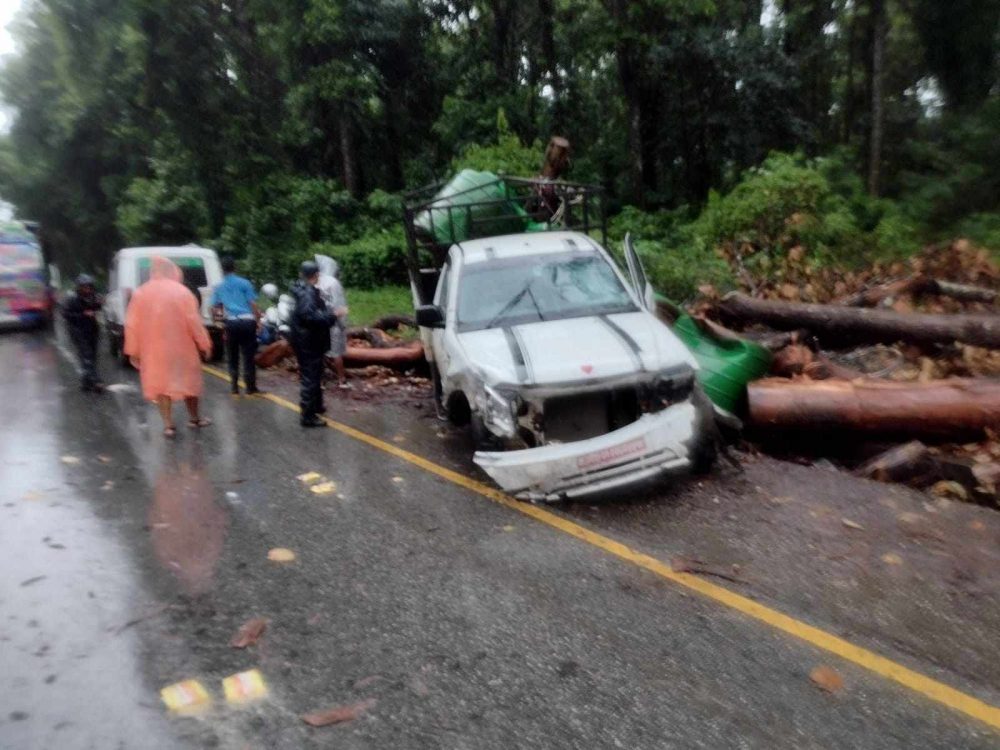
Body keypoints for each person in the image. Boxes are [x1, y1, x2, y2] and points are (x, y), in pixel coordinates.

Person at [124, 256, 213, 438]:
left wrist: (134, 350)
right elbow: (194, 322)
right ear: (172, 271)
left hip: (153, 350)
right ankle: (195, 418)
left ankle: (168, 425)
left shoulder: (141, 293)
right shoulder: (182, 292)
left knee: (161, 386)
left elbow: (132, 324)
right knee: (189, 382)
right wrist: (204, 344)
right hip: (182, 348)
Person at [290, 260, 336, 427]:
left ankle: (316, 406)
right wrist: (332, 316)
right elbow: (309, 317)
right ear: (316, 275)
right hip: (309, 342)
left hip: (305, 341)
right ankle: (308, 416)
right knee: (311, 377)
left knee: (315, 374)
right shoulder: (308, 294)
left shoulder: (302, 291)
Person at [211, 256, 262, 395]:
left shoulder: (219, 287)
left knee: (232, 355)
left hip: (231, 323)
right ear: (235, 267)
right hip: (247, 322)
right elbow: (253, 304)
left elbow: (215, 308)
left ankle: (234, 386)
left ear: (222, 270)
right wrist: (258, 321)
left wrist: (218, 322)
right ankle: (250, 387)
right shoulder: (245, 283)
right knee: (248, 355)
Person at [61, 274, 105, 392]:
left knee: (92, 356)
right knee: (86, 355)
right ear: (79, 288)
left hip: (92, 330)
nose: (87, 289)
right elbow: (65, 314)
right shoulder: (72, 299)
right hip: (78, 331)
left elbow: (98, 308)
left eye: (89, 287)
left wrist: (100, 304)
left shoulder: (94, 297)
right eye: (84, 287)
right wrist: (83, 315)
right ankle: (96, 381)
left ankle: (86, 382)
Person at [314, 254, 350, 388]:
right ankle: (342, 380)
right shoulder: (333, 282)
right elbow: (339, 304)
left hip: (319, 321)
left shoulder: (316, 281)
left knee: (320, 351)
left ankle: (321, 381)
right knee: (337, 352)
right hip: (333, 321)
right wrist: (343, 323)